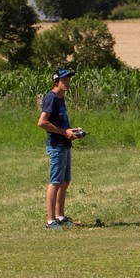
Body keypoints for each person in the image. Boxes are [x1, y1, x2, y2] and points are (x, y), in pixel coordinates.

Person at [38, 68, 83, 229]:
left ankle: (60, 217)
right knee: (55, 182)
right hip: (56, 146)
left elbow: (60, 123)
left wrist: (71, 130)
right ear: (56, 81)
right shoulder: (51, 98)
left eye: (69, 80)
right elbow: (42, 122)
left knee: (65, 181)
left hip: (64, 144)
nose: (68, 83)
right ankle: (50, 221)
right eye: (64, 80)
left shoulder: (60, 98)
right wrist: (64, 132)